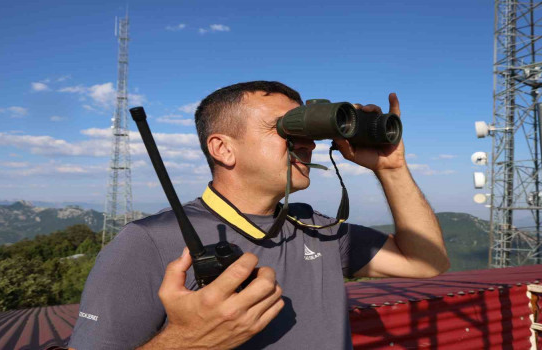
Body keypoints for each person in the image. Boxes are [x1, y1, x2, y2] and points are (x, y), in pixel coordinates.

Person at [68, 81, 449, 349]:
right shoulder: (148, 242)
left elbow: (426, 263)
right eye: (285, 129)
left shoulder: (316, 227)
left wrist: (391, 168)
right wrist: (186, 343)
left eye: (307, 128)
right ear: (223, 149)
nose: (307, 142)